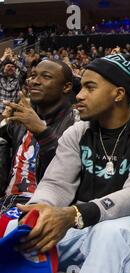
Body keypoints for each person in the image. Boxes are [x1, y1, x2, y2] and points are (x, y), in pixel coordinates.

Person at [16, 53, 130, 273]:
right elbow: (56, 184)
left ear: (118, 94)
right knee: (22, 232)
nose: (78, 96)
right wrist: (39, 210)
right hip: (77, 221)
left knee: (109, 234)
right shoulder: (77, 131)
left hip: (128, 223)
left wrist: (75, 215)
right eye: (80, 88)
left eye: (90, 88)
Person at [0, 59, 75, 209]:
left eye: (46, 77)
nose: (35, 81)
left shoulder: (78, 124)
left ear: (66, 87)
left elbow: (66, 172)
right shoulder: (19, 119)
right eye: (33, 75)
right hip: (7, 204)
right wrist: (3, 120)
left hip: (46, 210)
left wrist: (42, 132)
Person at [0, 48, 28, 112]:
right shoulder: (0, 77)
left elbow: (25, 71)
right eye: (8, 66)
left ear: (15, 69)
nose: (10, 68)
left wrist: (13, 59)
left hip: (12, 112)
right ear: (4, 68)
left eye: (12, 67)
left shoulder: (18, 78)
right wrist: (3, 57)